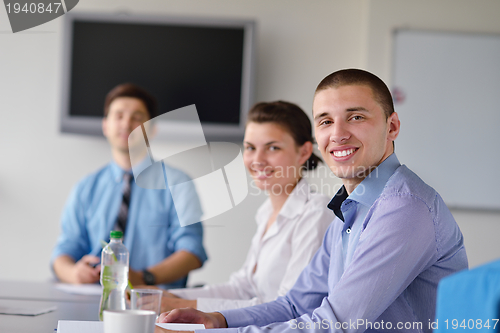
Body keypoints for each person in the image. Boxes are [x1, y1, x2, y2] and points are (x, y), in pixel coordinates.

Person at [157, 69, 468, 333]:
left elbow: (335, 323)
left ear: (392, 126)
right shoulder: (351, 208)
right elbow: (295, 303)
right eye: (325, 121)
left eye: (356, 117)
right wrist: (218, 321)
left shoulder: (404, 207)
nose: (338, 134)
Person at [158, 101, 334, 312]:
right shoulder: (267, 212)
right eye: (250, 148)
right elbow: (242, 288)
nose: (257, 160)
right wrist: (166, 296)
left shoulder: (316, 212)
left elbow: (290, 307)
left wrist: (185, 305)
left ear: (304, 152)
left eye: (272, 147)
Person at [51, 83, 207, 289]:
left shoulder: (178, 184)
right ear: (105, 125)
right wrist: (73, 273)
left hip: (154, 302)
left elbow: (192, 251)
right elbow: (64, 251)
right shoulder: (85, 187)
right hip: (91, 299)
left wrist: (144, 278)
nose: (127, 124)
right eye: (119, 115)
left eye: (137, 117)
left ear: (152, 128)